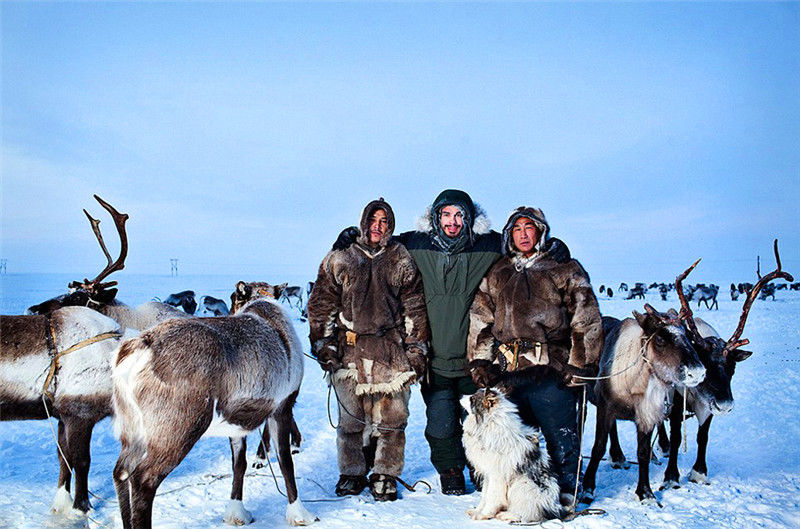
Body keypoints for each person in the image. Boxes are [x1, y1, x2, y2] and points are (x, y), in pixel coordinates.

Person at [334, 189, 571, 495]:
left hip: (477, 360)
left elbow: (521, 244)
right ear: (435, 217)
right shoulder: (416, 244)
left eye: (460, 215)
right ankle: (450, 472)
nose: (453, 221)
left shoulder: (486, 246)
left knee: (482, 422)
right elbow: (379, 242)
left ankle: (484, 473)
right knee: (440, 426)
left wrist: (553, 247)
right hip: (436, 361)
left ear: (469, 219)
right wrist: (351, 238)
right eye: (446, 214)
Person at [467, 206, 603, 508]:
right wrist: (480, 361)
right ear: (509, 235)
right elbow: (481, 319)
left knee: (560, 436)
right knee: (512, 441)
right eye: (517, 229)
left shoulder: (564, 268)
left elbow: (586, 318)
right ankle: (517, 493)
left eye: (530, 228)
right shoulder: (498, 272)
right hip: (507, 372)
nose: (524, 234)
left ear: (540, 231)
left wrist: (580, 364)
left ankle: (567, 490)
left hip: (551, 369)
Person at [307, 198, 430, 502]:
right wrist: (324, 344)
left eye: (384, 222)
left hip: (391, 350)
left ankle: (385, 474)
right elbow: (322, 303)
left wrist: (416, 350)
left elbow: (414, 306)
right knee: (351, 420)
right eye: (373, 221)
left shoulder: (401, 258)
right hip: (350, 350)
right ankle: (351, 473)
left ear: (391, 226)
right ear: (364, 222)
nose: (378, 227)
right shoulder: (341, 257)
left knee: (391, 420)